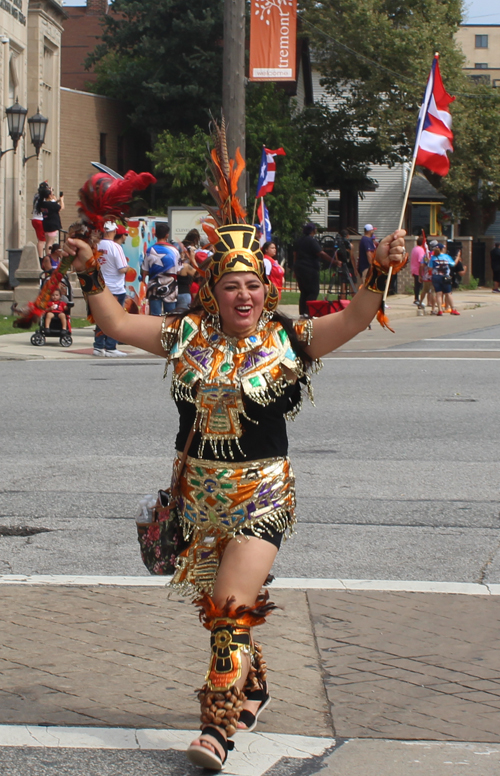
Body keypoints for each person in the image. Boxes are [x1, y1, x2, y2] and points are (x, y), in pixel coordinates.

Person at [60, 145, 407, 771]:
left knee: (229, 611)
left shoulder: (290, 338)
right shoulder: (184, 335)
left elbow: (357, 317)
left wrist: (379, 268)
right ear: (212, 291)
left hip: (261, 495)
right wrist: (87, 271)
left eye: (252, 285)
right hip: (198, 497)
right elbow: (111, 322)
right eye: (230, 285)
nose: (243, 295)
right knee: (221, 605)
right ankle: (254, 686)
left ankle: (215, 731)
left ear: (265, 289)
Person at [93, 221, 129, 357]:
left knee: (100, 317)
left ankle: (98, 345)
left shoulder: (96, 245)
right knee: (115, 318)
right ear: (113, 231)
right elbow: (122, 268)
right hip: (115, 287)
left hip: (100, 285)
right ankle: (111, 347)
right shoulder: (116, 247)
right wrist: (128, 268)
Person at [293, 223, 333, 316]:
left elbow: (295, 255)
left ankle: (302, 312)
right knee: (313, 291)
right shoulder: (311, 241)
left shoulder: (299, 240)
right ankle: (308, 311)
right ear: (313, 230)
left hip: (299, 267)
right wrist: (333, 261)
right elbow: (321, 253)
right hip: (309, 268)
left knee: (304, 291)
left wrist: (295, 269)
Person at [141, 223, 180, 316]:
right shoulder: (175, 250)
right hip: (171, 286)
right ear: (167, 235)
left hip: (153, 286)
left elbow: (145, 272)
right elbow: (178, 270)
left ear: (155, 235)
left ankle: (155, 331)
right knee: (170, 316)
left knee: (155, 316)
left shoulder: (150, 250)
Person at [430, 243, 459, 316]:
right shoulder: (447, 257)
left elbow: (430, 268)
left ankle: (440, 310)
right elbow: (453, 264)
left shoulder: (433, 258)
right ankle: (453, 309)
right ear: (442, 249)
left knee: (438, 293)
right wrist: (458, 257)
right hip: (445, 277)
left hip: (436, 277)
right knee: (448, 293)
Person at [38, 184, 64, 252]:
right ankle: (49, 257)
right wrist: (61, 200)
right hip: (53, 224)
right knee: (50, 243)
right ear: (49, 195)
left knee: (47, 242)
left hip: (46, 223)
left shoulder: (42, 203)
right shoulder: (51, 204)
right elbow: (61, 207)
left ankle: (48, 255)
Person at [31, 186, 47, 262]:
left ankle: (41, 256)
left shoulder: (36, 196)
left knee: (40, 239)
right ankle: (40, 258)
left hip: (34, 219)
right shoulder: (43, 198)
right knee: (42, 240)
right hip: (40, 220)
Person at [410, 236, 425, 305]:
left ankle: (416, 298)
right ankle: (417, 300)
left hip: (414, 268)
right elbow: (421, 261)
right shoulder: (421, 250)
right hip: (419, 270)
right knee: (420, 286)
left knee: (417, 285)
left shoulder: (414, 249)